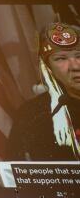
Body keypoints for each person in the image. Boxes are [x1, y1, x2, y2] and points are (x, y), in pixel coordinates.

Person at [6, 20, 80, 161]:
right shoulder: (32, 115)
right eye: (61, 58)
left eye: (79, 56)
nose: (75, 66)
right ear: (48, 68)